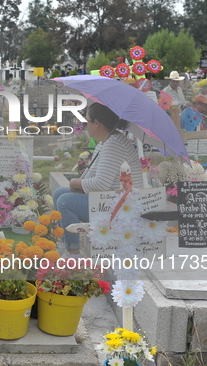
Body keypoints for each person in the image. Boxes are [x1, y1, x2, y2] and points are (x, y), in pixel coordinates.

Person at [52, 103, 144, 255]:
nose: (85, 125)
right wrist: (78, 184)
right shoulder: (106, 142)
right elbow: (91, 175)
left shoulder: (113, 144)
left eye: (87, 121)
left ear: (97, 123)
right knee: (59, 193)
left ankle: (73, 253)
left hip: (120, 207)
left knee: (65, 201)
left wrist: (75, 183)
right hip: (107, 198)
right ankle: (68, 244)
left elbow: (100, 184)